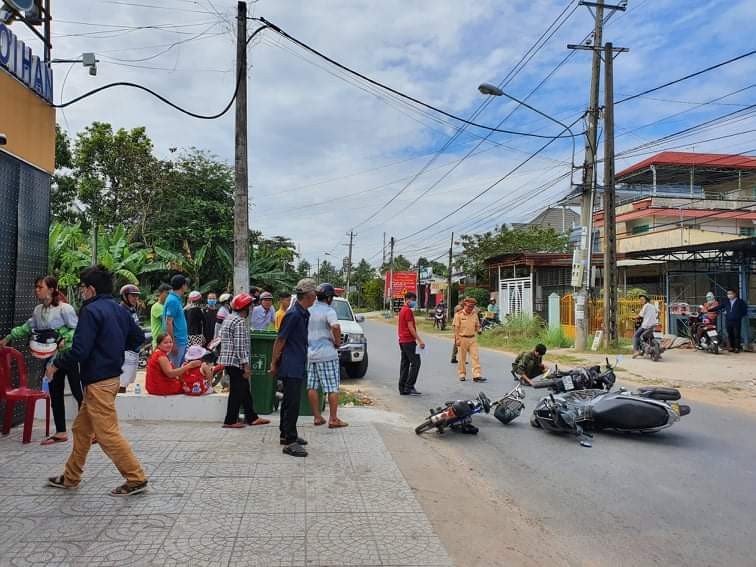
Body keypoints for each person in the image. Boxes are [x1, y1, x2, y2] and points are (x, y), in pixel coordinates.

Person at [45, 265, 147, 496]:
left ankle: (136, 478)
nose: (81, 292)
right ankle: (71, 476)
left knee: (107, 433)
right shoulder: (119, 310)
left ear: (90, 289)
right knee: (82, 430)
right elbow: (138, 337)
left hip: (98, 381)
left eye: (82, 288)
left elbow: (80, 351)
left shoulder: (90, 311)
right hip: (109, 378)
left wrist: (56, 363)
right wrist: (114, 351)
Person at [0, 275, 80, 446]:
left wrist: (64, 337)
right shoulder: (38, 310)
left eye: (40, 287)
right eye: (36, 287)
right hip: (49, 356)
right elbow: (28, 327)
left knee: (78, 392)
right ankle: (60, 432)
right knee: (56, 393)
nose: (37, 290)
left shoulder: (65, 309)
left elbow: (76, 330)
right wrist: (8, 338)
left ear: (51, 289)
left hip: (68, 356)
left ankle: (90, 430)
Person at [271, 278, 317, 457]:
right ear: (308, 295)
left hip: (297, 362)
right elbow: (280, 339)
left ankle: (286, 434)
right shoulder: (294, 314)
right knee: (292, 403)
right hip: (291, 364)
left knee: (290, 401)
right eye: (314, 294)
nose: (315, 297)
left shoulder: (302, 312)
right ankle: (290, 441)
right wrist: (274, 362)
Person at [218, 293, 270, 428]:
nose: (252, 309)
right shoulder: (239, 322)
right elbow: (240, 346)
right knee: (237, 390)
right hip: (236, 361)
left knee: (244, 388)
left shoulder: (229, 318)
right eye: (250, 306)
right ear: (244, 308)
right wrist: (245, 365)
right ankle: (230, 420)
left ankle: (252, 417)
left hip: (228, 359)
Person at [307, 283, 348, 428]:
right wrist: (337, 342)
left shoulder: (309, 310)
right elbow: (335, 326)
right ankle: (333, 419)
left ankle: (317, 417)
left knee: (312, 386)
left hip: (311, 354)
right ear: (329, 297)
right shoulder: (329, 311)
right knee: (332, 387)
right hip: (327, 354)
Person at [397, 291, 424, 396]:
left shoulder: (402, 310)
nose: (414, 302)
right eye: (413, 300)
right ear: (407, 299)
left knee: (405, 364)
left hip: (402, 341)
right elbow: (410, 327)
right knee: (416, 363)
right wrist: (419, 340)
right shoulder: (407, 310)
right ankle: (409, 386)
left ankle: (402, 387)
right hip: (408, 341)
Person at [117, 284, 143, 394]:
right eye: (133, 296)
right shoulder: (121, 311)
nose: (135, 299)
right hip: (126, 349)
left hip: (133, 349)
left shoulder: (131, 309)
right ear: (124, 296)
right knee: (122, 382)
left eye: (136, 296)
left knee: (127, 380)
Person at [453, 297, 486, 382]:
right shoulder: (458, 315)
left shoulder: (474, 314)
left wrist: (479, 330)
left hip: (472, 338)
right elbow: (456, 328)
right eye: (469, 306)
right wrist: (457, 339)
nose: (470, 308)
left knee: (475, 357)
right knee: (461, 358)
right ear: (464, 305)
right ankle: (462, 374)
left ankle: (476, 375)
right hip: (462, 338)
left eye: (472, 306)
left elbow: (477, 325)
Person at [163, 274, 189, 366]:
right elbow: (168, 322)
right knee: (174, 369)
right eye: (186, 284)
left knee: (180, 369)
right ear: (183, 285)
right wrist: (172, 343)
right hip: (177, 341)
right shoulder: (173, 300)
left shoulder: (176, 299)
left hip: (181, 340)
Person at [713, 288, 748, 353]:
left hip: (736, 320)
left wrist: (739, 316)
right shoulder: (726, 302)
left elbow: (744, 311)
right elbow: (719, 307)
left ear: (735, 294)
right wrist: (710, 310)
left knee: (737, 334)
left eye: (730, 294)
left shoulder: (740, 301)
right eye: (728, 294)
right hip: (728, 320)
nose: (729, 295)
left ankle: (737, 347)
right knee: (730, 334)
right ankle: (731, 347)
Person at [150, 283, 171, 349]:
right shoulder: (156, 307)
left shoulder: (166, 306)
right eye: (167, 293)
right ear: (160, 293)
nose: (168, 296)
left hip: (165, 341)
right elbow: (167, 320)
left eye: (170, 294)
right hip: (159, 342)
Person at [450, 299, 464, 364]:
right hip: (458, 327)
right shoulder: (460, 308)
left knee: (457, 344)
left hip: (457, 326)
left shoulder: (458, 307)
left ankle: (454, 358)